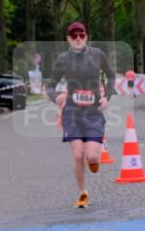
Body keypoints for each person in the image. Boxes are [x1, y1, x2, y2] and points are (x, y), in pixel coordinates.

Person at [46, 21, 115, 209]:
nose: (78, 38)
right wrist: (56, 97)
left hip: (93, 112)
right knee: (78, 155)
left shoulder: (97, 54)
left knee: (91, 157)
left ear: (86, 37)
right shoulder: (62, 59)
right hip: (72, 113)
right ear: (68, 39)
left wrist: (107, 97)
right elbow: (50, 85)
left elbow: (111, 75)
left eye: (81, 35)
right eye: (74, 36)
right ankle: (83, 193)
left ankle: (95, 155)